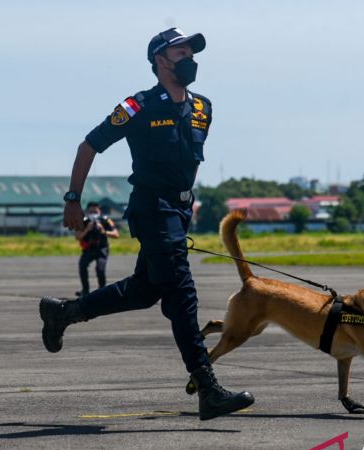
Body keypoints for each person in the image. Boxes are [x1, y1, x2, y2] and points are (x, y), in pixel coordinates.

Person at [40, 27, 254, 420]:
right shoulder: (138, 106)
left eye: (193, 51)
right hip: (151, 209)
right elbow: (89, 146)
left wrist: (188, 202)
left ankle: (64, 313)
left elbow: (184, 164)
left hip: (178, 212)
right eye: (182, 51)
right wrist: (73, 199)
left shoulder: (203, 107)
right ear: (161, 60)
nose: (191, 57)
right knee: (182, 294)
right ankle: (208, 389)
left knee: (144, 290)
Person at [75, 202, 119, 297]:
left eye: (96, 211)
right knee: (82, 266)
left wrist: (104, 231)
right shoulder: (83, 221)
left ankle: (102, 291)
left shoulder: (105, 220)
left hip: (102, 248)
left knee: (100, 269)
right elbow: (78, 237)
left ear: (99, 211)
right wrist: (87, 229)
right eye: (91, 211)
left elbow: (116, 234)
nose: (94, 213)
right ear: (87, 212)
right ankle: (85, 290)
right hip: (89, 249)